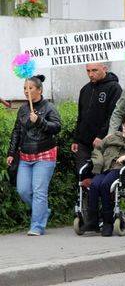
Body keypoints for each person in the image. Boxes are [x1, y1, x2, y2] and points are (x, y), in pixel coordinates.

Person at [7, 75, 61, 236]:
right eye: (24, 88)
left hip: (44, 155)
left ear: (39, 90)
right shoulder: (23, 109)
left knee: (39, 191)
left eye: (30, 88)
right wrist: (11, 152)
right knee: (23, 190)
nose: (26, 91)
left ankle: (37, 225)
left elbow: (57, 127)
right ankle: (43, 210)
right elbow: (16, 131)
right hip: (25, 155)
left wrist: (39, 121)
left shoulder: (49, 107)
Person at [80, 115, 125, 236]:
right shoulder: (113, 136)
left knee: (106, 185)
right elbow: (97, 149)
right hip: (105, 168)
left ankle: (108, 223)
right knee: (94, 185)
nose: (124, 129)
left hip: (120, 170)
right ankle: (93, 221)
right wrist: (99, 162)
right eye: (124, 126)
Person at [72, 63, 122, 172]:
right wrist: (76, 139)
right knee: (82, 174)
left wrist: (101, 136)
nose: (91, 74)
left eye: (94, 70)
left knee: (99, 174)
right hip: (84, 142)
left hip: (103, 142)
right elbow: (81, 116)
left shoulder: (114, 88)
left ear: (104, 69)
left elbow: (113, 115)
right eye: (88, 71)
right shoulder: (85, 89)